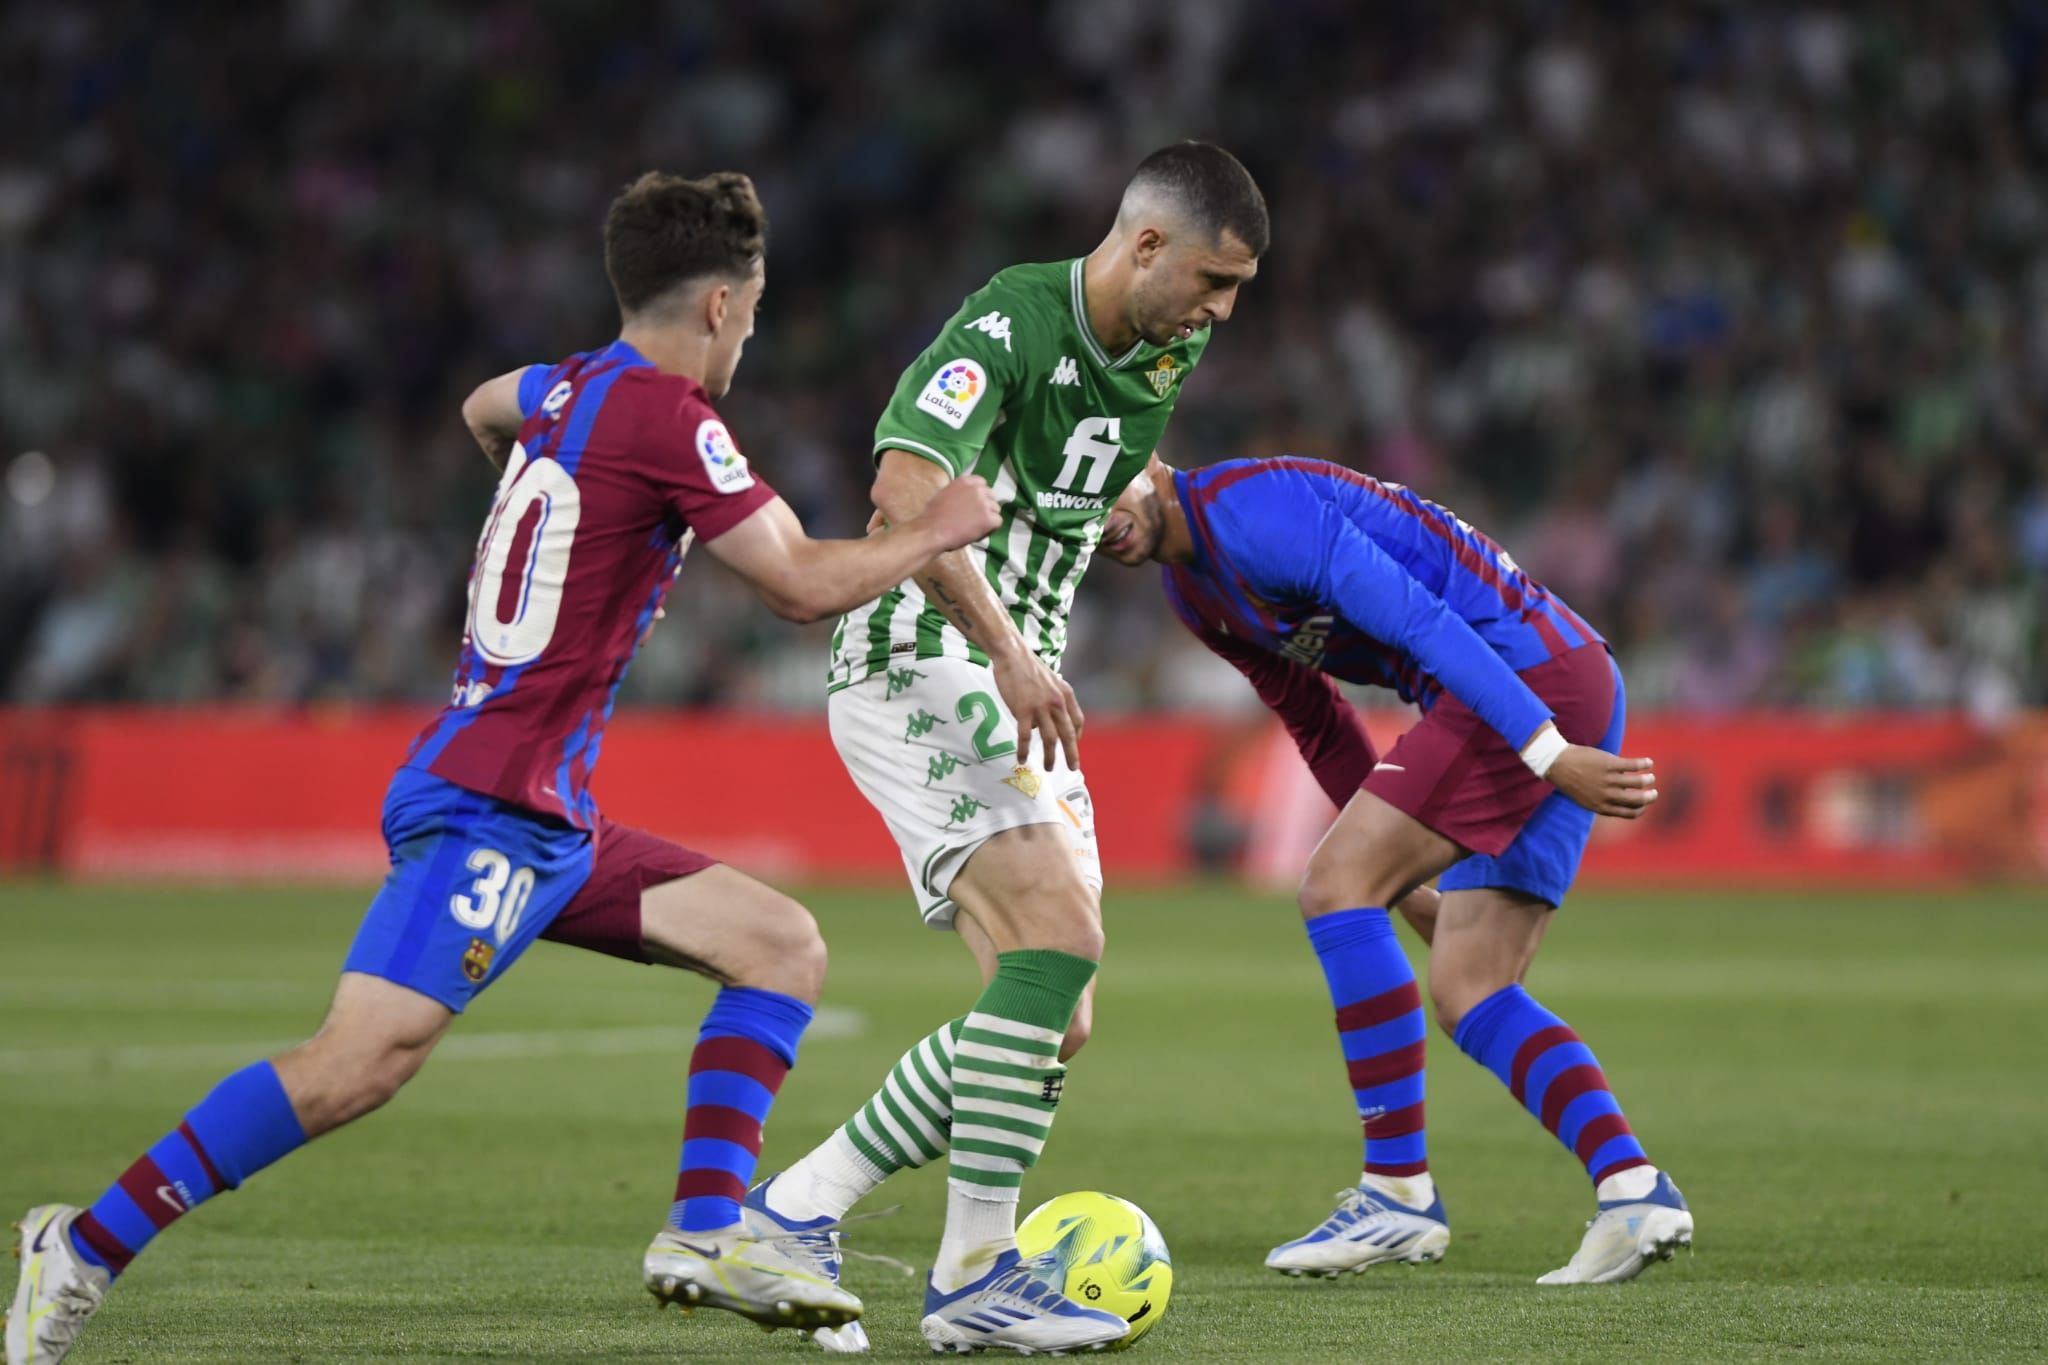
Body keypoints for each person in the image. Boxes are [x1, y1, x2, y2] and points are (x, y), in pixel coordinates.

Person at [5, 170, 1002, 1365]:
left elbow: (487, 406)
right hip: (492, 806)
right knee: (354, 1066)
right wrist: (934, 533)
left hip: (544, 813)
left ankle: (702, 1230)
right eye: (755, 309)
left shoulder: (565, 386)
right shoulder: (675, 419)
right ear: (725, 307)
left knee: (778, 944)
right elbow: (794, 584)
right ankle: (81, 1245)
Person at [741, 141, 1267, 1356]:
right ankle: (974, 1273)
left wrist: (1135, 498)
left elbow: (1092, 453)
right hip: (922, 643)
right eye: (1212, 280)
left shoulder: (1168, 342)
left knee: (1050, 1015)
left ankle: (793, 1211)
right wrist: (1007, 651)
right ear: (1142, 247)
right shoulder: (1005, 325)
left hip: (1023, 675)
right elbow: (900, 497)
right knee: (1061, 939)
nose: (1221, 312)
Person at [1095, 453, 1691, 1285]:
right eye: (1072, 517)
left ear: (1151, 461)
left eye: (1102, 491)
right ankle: (1634, 1190)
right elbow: (1318, 720)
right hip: (1537, 680)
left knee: (1332, 887)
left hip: (1520, 682)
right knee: (1469, 987)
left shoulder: (1254, 509)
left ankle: (1398, 1193)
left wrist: (1547, 751)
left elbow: (1423, 624)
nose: (1097, 522)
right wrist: (1401, 883)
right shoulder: (1193, 591)